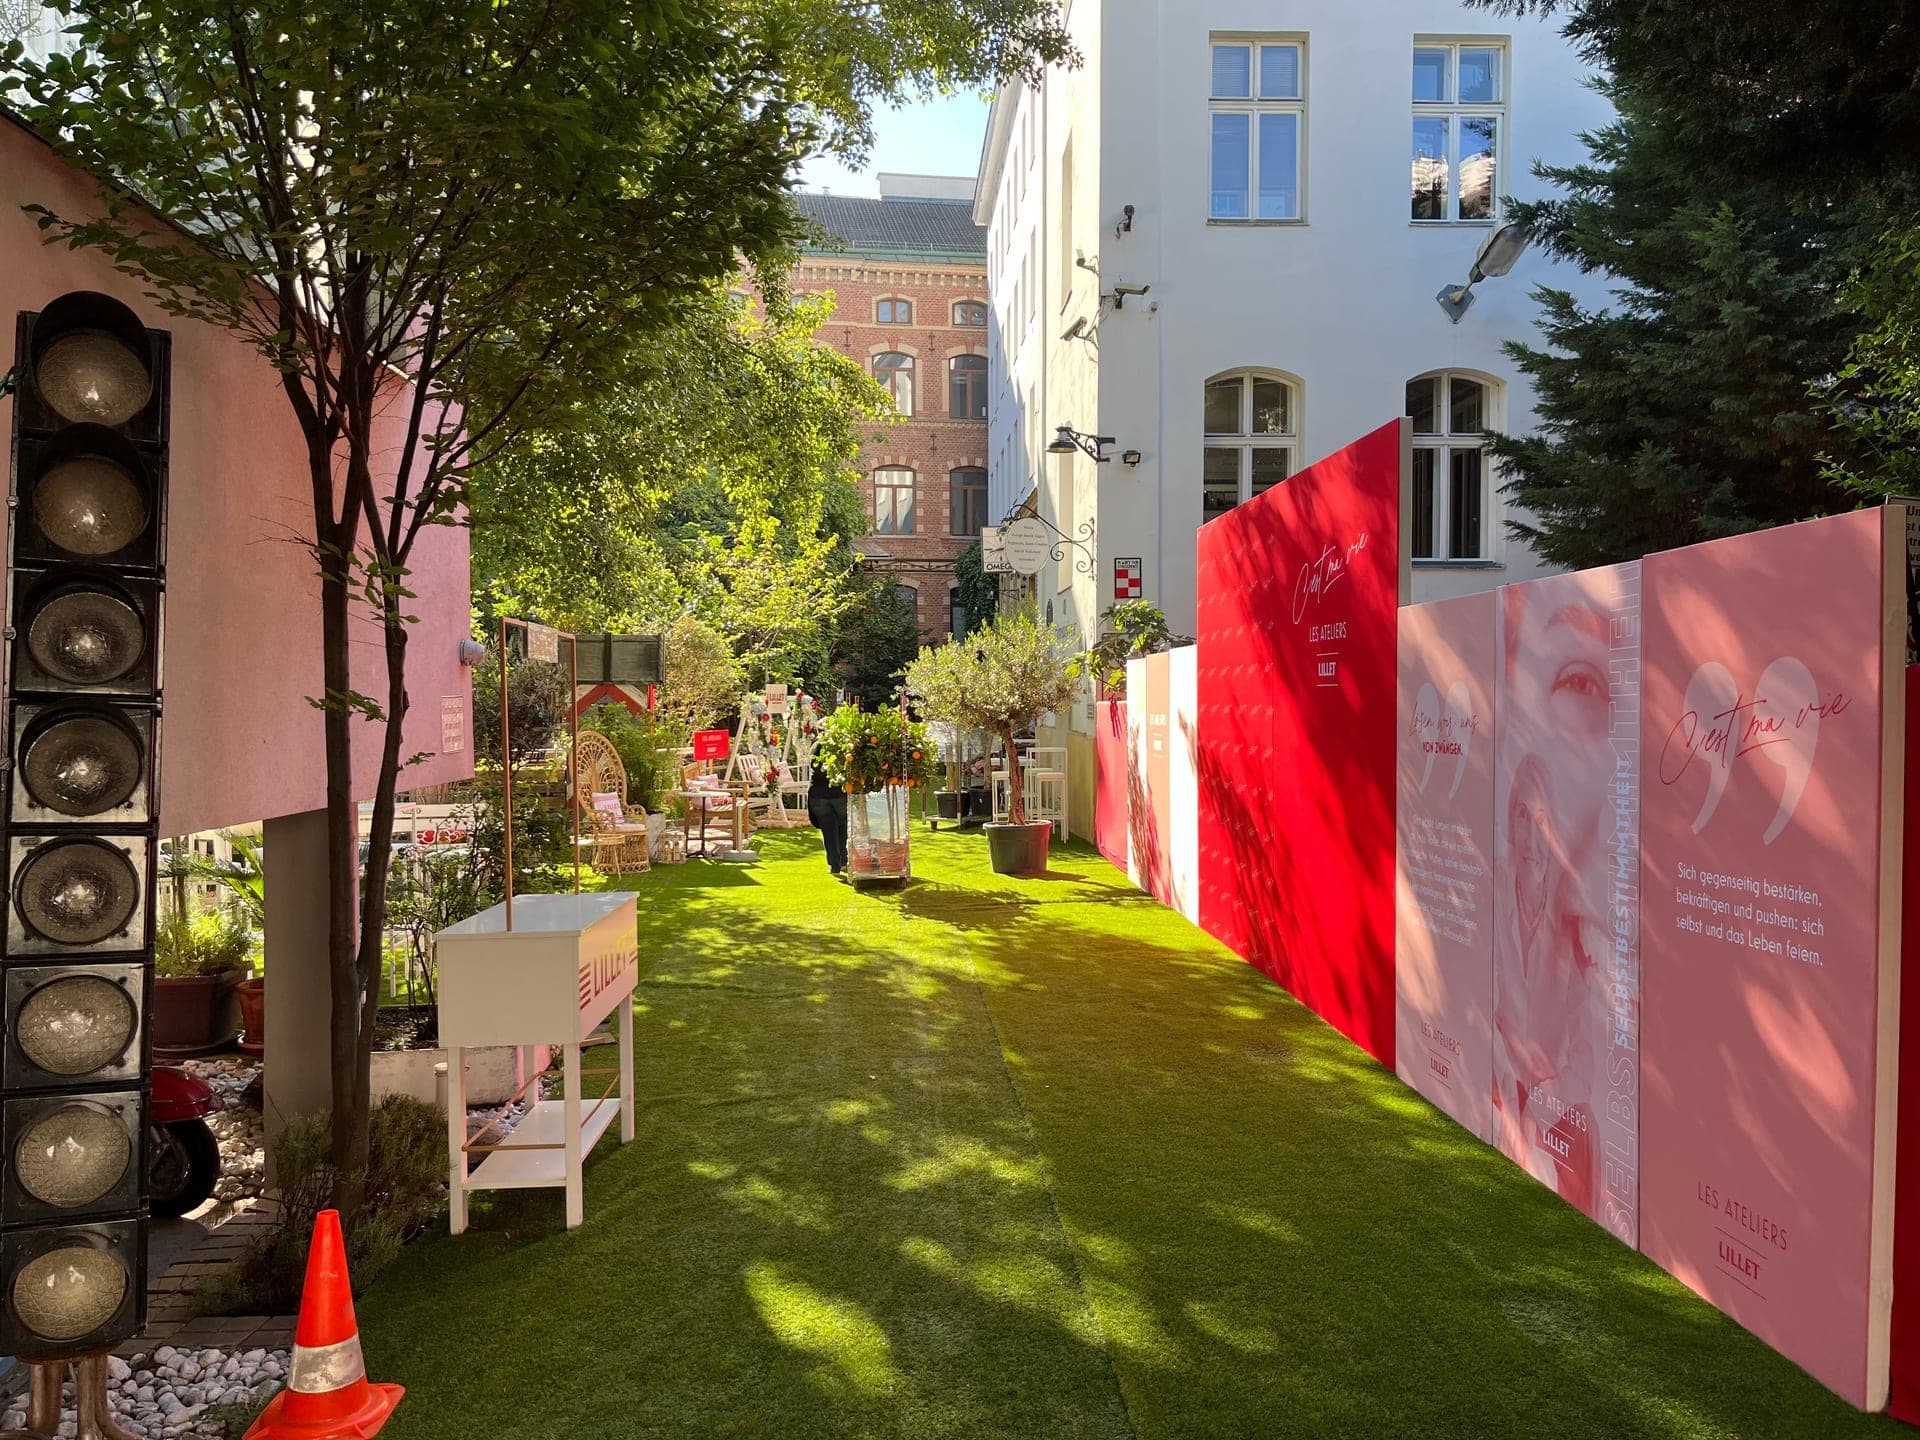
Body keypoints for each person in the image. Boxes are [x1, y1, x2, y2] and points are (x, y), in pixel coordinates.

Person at [807, 764, 848, 876]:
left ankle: (835, 866)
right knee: (842, 826)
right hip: (839, 791)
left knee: (829, 831)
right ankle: (844, 861)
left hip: (818, 794)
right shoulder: (841, 746)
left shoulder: (814, 748)